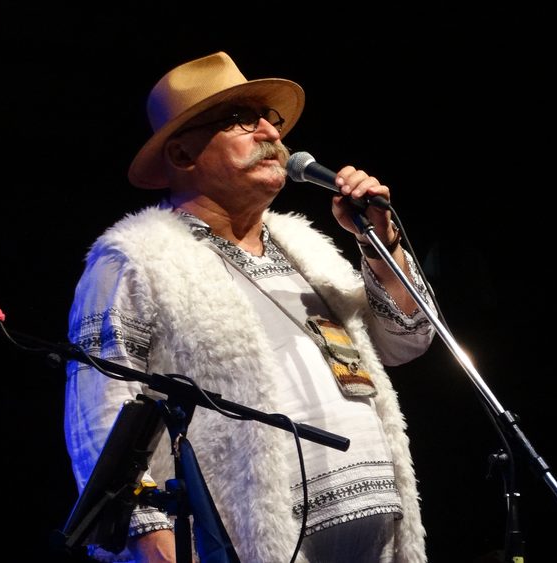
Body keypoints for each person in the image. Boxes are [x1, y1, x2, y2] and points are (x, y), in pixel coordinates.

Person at [64, 51, 435, 563]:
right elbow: (99, 417)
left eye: (269, 117)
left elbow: (407, 340)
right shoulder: (133, 258)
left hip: (379, 539)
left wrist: (379, 244)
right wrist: (154, 545)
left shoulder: (306, 248)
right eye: (241, 119)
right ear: (183, 154)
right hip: (247, 542)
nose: (271, 133)